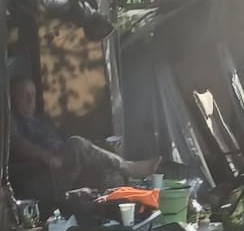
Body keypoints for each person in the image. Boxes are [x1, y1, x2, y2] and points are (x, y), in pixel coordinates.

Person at [8, 73, 157, 194]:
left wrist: (99, 147)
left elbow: (65, 139)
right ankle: (128, 167)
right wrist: (46, 156)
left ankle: (125, 206)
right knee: (76, 143)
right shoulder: (12, 120)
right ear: (13, 98)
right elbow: (15, 143)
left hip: (67, 164)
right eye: (24, 95)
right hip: (44, 171)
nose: (30, 100)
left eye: (33, 95)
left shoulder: (41, 120)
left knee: (108, 170)